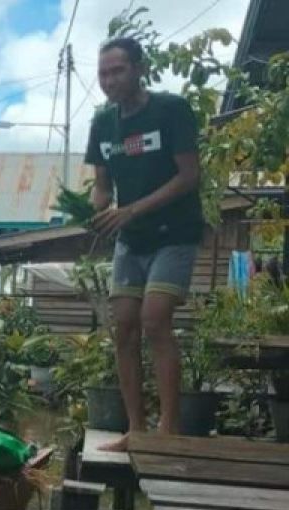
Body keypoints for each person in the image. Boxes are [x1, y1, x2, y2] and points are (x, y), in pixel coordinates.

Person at [86, 37, 205, 450]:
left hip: (174, 233)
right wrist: (91, 210)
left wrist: (132, 210)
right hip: (130, 240)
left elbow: (189, 176)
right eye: (102, 73)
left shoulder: (170, 110)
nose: (108, 80)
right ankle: (136, 430)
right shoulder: (103, 123)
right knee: (122, 328)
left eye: (117, 70)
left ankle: (168, 431)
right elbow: (102, 188)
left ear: (139, 68)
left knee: (155, 320)